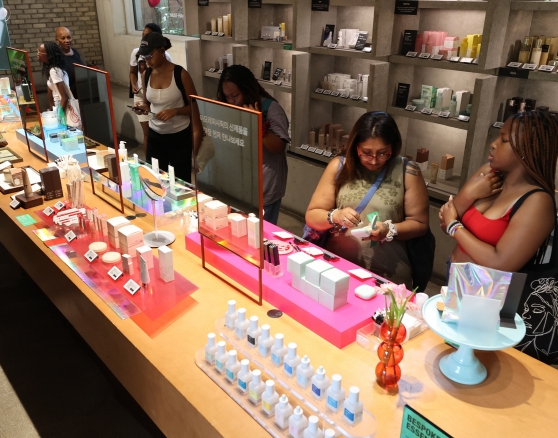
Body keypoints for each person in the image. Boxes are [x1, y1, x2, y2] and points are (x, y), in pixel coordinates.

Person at [439, 111, 558, 362]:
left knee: (475, 358)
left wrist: (455, 228)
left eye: (504, 139)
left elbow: (501, 262)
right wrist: (470, 193)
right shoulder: (489, 174)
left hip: (488, 297)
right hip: (457, 277)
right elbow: (446, 217)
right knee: (446, 349)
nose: (493, 143)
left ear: (526, 149)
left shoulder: (537, 202)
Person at [305, 112, 429, 287]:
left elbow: (419, 224)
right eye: (366, 152)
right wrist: (336, 216)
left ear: (392, 148)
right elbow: (312, 215)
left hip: (388, 275)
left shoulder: (407, 171)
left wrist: (389, 229)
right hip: (338, 269)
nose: (374, 160)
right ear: (356, 147)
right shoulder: (340, 166)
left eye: (382, 153)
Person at [216, 65, 290, 225]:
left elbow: (278, 147)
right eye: (227, 96)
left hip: (264, 188)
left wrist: (257, 124)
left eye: (234, 95)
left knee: (260, 238)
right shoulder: (230, 106)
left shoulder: (271, 109)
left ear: (247, 90)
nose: (231, 101)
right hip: (238, 187)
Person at [133, 32, 202, 183]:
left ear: (162, 50)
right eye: (145, 58)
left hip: (179, 137)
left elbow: (194, 108)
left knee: (180, 183)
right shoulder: (147, 74)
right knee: (155, 181)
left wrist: (176, 111)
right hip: (155, 136)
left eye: (150, 56)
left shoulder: (181, 74)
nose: (148, 61)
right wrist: (142, 108)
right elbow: (148, 103)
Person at [129, 23, 173, 153]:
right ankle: (150, 163)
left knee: (159, 133)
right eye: (143, 35)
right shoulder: (136, 53)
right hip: (141, 95)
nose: (144, 39)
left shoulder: (168, 60)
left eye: (147, 36)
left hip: (157, 97)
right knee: (148, 134)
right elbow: (132, 72)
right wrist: (133, 84)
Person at [37, 41, 71, 116]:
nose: (37, 54)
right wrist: (51, 107)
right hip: (58, 106)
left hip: (62, 107)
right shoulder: (52, 69)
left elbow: (64, 97)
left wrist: (59, 117)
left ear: (49, 55)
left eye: (40, 52)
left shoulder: (54, 71)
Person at [55, 26, 85, 97]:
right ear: (57, 40)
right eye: (63, 38)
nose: (67, 40)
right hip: (68, 96)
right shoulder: (56, 57)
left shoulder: (75, 52)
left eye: (69, 37)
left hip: (82, 92)